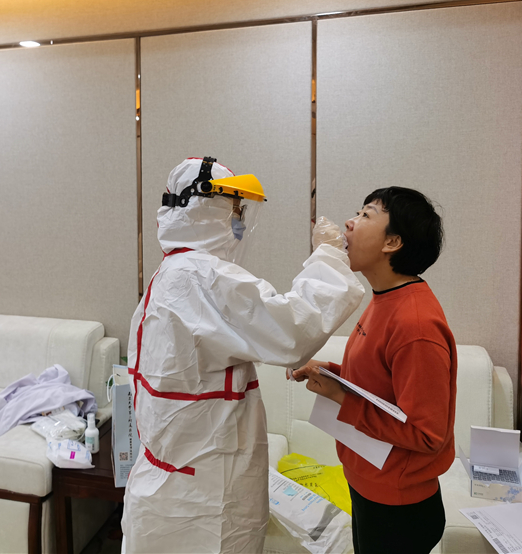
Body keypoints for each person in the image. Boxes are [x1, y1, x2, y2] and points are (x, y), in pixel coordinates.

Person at [121, 156, 365, 553]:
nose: (239, 222)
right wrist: (329, 256)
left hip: (171, 484)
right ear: (207, 207)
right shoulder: (204, 277)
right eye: (235, 209)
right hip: (206, 494)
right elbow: (293, 330)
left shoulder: (173, 273)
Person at [291, 186, 456, 554]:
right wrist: (330, 372)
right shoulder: (385, 297)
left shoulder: (415, 324)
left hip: (398, 506)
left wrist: (340, 396)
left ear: (392, 242)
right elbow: (382, 382)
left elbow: (427, 433)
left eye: (366, 215)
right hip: (368, 483)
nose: (349, 223)